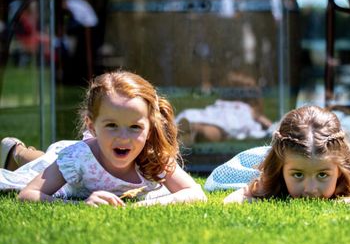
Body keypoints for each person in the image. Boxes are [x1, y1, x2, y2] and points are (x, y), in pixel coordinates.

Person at [0, 70, 206, 206]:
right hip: (76, 158)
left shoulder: (155, 156)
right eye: (111, 126)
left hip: (84, 154)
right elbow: (28, 194)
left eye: (135, 127)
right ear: (92, 126)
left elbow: (195, 193)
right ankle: (16, 151)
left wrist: (145, 206)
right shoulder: (77, 159)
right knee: (41, 164)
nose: (123, 137)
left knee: (44, 161)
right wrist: (81, 204)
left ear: (150, 128)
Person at [207, 105, 350, 204]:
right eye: (298, 175)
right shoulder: (273, 176)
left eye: (323, 175)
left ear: (338, 169)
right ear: (282, 169)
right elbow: (230, 200)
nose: (310, 189)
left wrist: (349, 204)